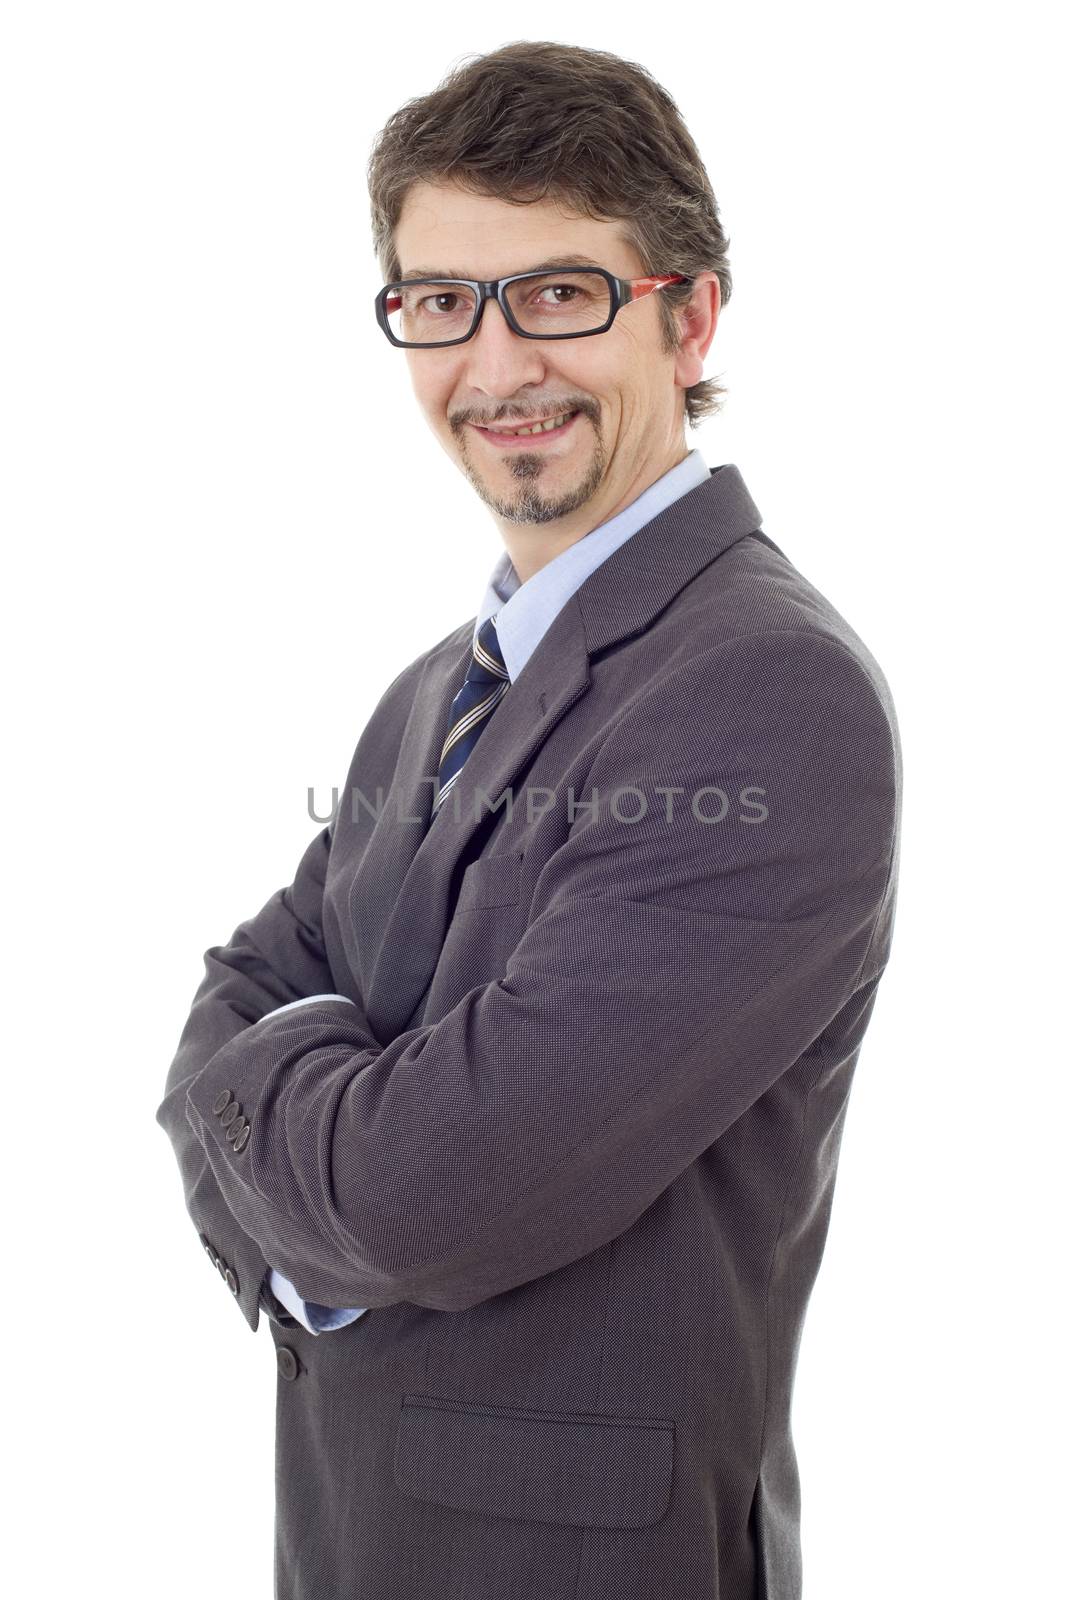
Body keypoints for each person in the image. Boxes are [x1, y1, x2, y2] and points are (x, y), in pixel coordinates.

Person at [156, 39, 901, 1600]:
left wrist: (299, 1139)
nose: (494, 368)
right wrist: (310, 1121)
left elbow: (428, 1189)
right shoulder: (440, 686)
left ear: (688, 313)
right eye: (440, 301)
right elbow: (222, 1002)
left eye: (559, 293)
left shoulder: (765, 690)